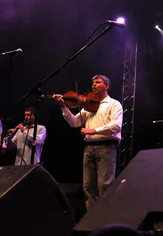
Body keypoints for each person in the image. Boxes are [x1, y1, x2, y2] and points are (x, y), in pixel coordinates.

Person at [51, 74, 123, 211]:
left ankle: (106, 217)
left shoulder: (114, 104)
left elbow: (116, 126)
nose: (94, 85)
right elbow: (74, 123)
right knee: (88, 186)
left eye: (97, 82)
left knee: (105, 185)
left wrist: (94, 130)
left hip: (106, 147)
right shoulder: (87, 107)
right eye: (92, 83)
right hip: (89, 148)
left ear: (106, 86)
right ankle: (92, 219)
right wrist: (63, 106)